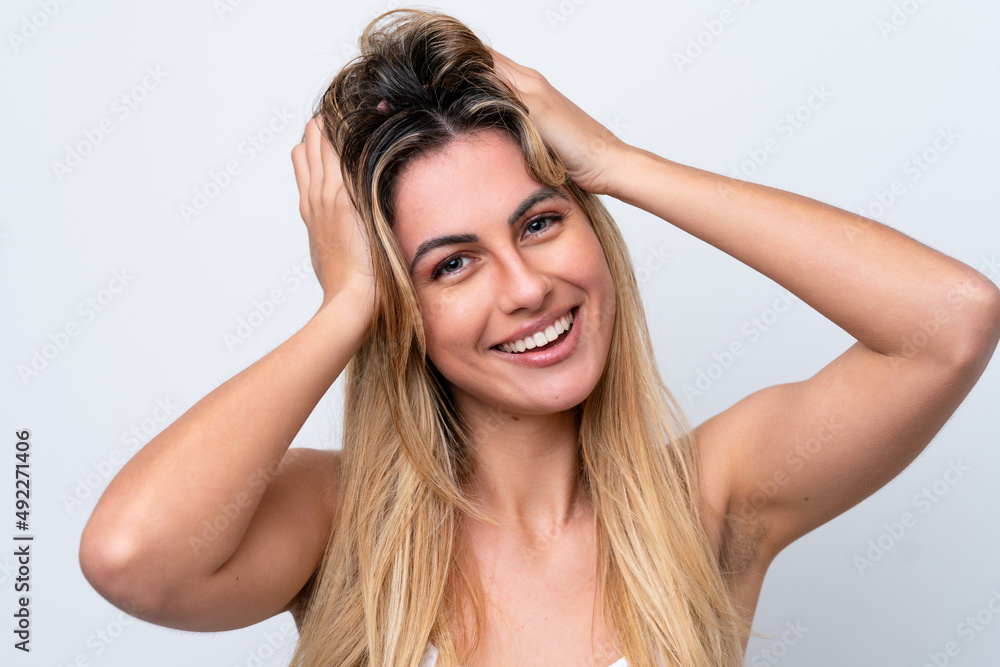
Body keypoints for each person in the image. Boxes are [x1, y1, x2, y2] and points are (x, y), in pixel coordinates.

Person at [78, 8, 1000, 667]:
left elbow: (949, 322)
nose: (525, 289)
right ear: (403, 308)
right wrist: (347, 303)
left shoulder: (710, 502)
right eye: (450, 265)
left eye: (538, 222)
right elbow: (131, 558)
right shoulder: (340, 523)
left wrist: (620, 164)